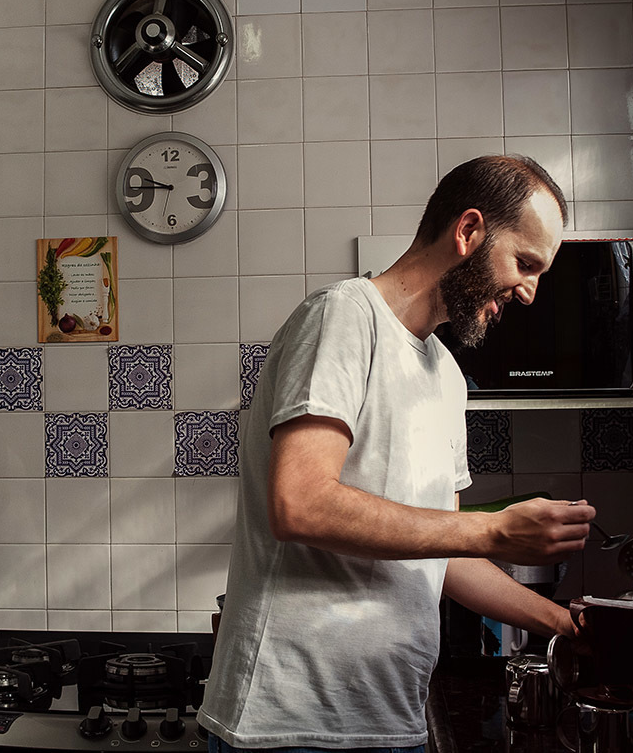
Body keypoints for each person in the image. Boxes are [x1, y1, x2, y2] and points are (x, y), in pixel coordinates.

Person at [197, 156, 597, 752]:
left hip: (392, 720)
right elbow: (300, 504)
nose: (531, 292)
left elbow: (447, 553)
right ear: (468, 232)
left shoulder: (446, 376)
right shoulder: (344, 318)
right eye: (525, 262)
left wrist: (565, 625)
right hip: (290, 725)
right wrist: (490, 531)